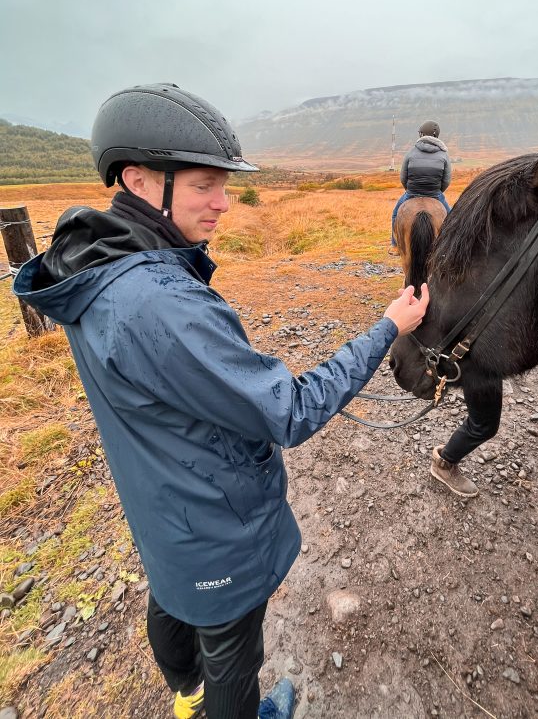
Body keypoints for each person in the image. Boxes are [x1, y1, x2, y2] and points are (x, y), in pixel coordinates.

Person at [14, 83, 429, 719]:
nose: (224, 203)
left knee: (174, 604)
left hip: (161, 510)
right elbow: (289, 410)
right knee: (234, 658)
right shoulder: (158, 302)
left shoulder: (95, 263)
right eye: (206, 184)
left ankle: (185, 698)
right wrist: (385, 328)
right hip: (214, 528)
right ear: (142, 180)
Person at [390, 120, 451, 253]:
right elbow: (446, 180)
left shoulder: (411, 152)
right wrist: (437, 192)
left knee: (395, 214)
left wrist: (410, 190)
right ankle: (450, 246)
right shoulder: (443, 155)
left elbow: (403, 177)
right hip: (435, 193)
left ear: (421, 134)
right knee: (452, 217)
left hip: (412, 192)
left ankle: (394, 244)